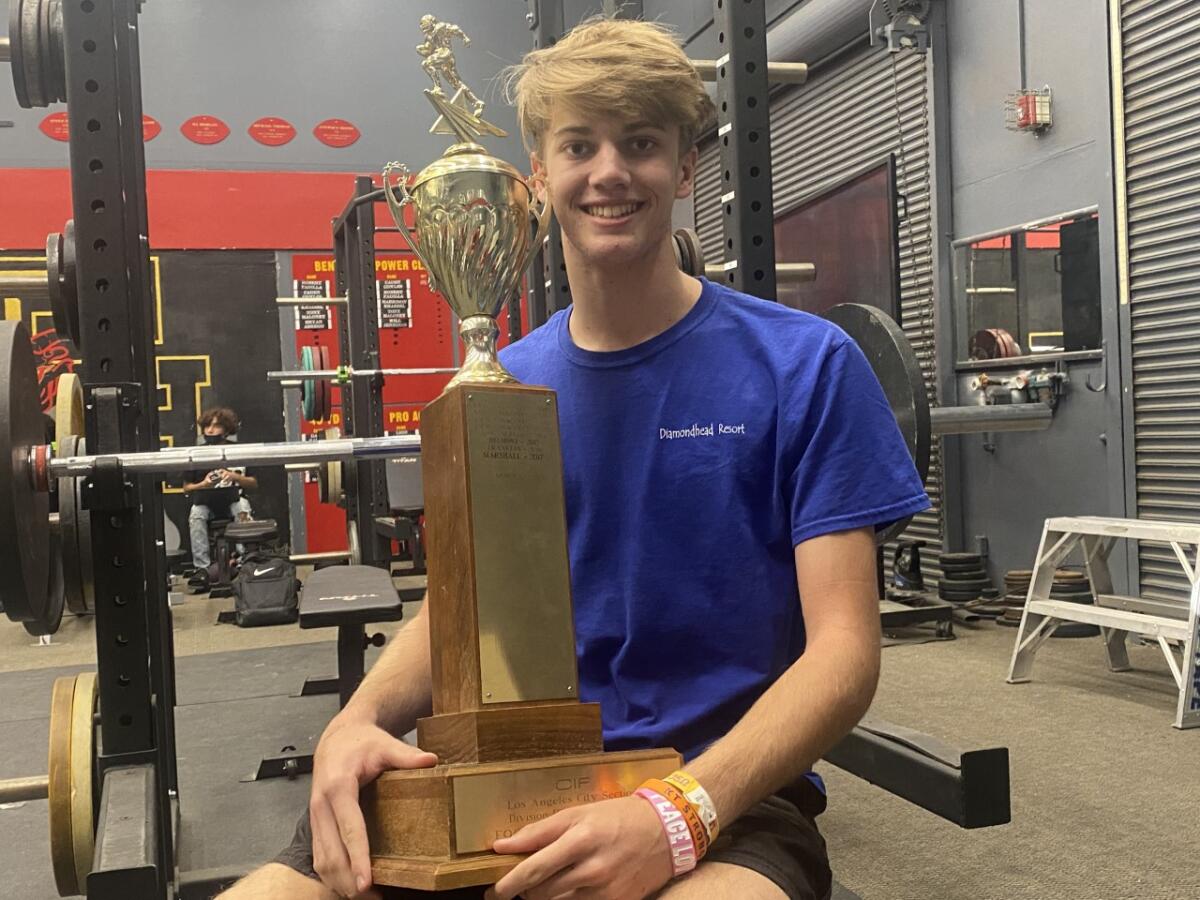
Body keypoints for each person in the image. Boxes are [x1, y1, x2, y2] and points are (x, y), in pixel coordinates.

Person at [220, 17, 928, 900]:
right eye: (579, 145)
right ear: (539, 176)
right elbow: (459, 608)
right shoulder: (503, 383)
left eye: (641, 143)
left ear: (685, 167)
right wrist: (354, 722)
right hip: (505, 780)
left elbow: (845, 654)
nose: (610, 172)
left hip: (720, 794)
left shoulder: (808, 365)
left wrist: (676, 815)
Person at [183, 406, 258, 581]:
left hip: (233, 499)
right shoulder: (195, 453)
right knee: (196, 514)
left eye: (216, 426)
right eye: (207, 425)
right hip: (206, 502)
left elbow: (254, 483)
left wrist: (234, 477)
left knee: (242, 507)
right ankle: (202, 569)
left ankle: (244, 561)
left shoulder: (239, 450)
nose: (210, 430)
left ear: (226, 428)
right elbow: (187, 487)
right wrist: (204, 484)